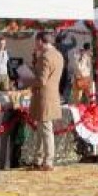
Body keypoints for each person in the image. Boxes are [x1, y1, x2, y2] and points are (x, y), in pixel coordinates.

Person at [29, 32, 64, 170]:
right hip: (52, 94)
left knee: (45, 128)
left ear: (41, 41)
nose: (35, 44)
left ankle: (48, 161)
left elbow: (41, 80)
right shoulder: (58, 55)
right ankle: (38, 159)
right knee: (41, 129)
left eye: (36, 41)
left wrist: (29, 81)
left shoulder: (45, 57)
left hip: (44, 97)